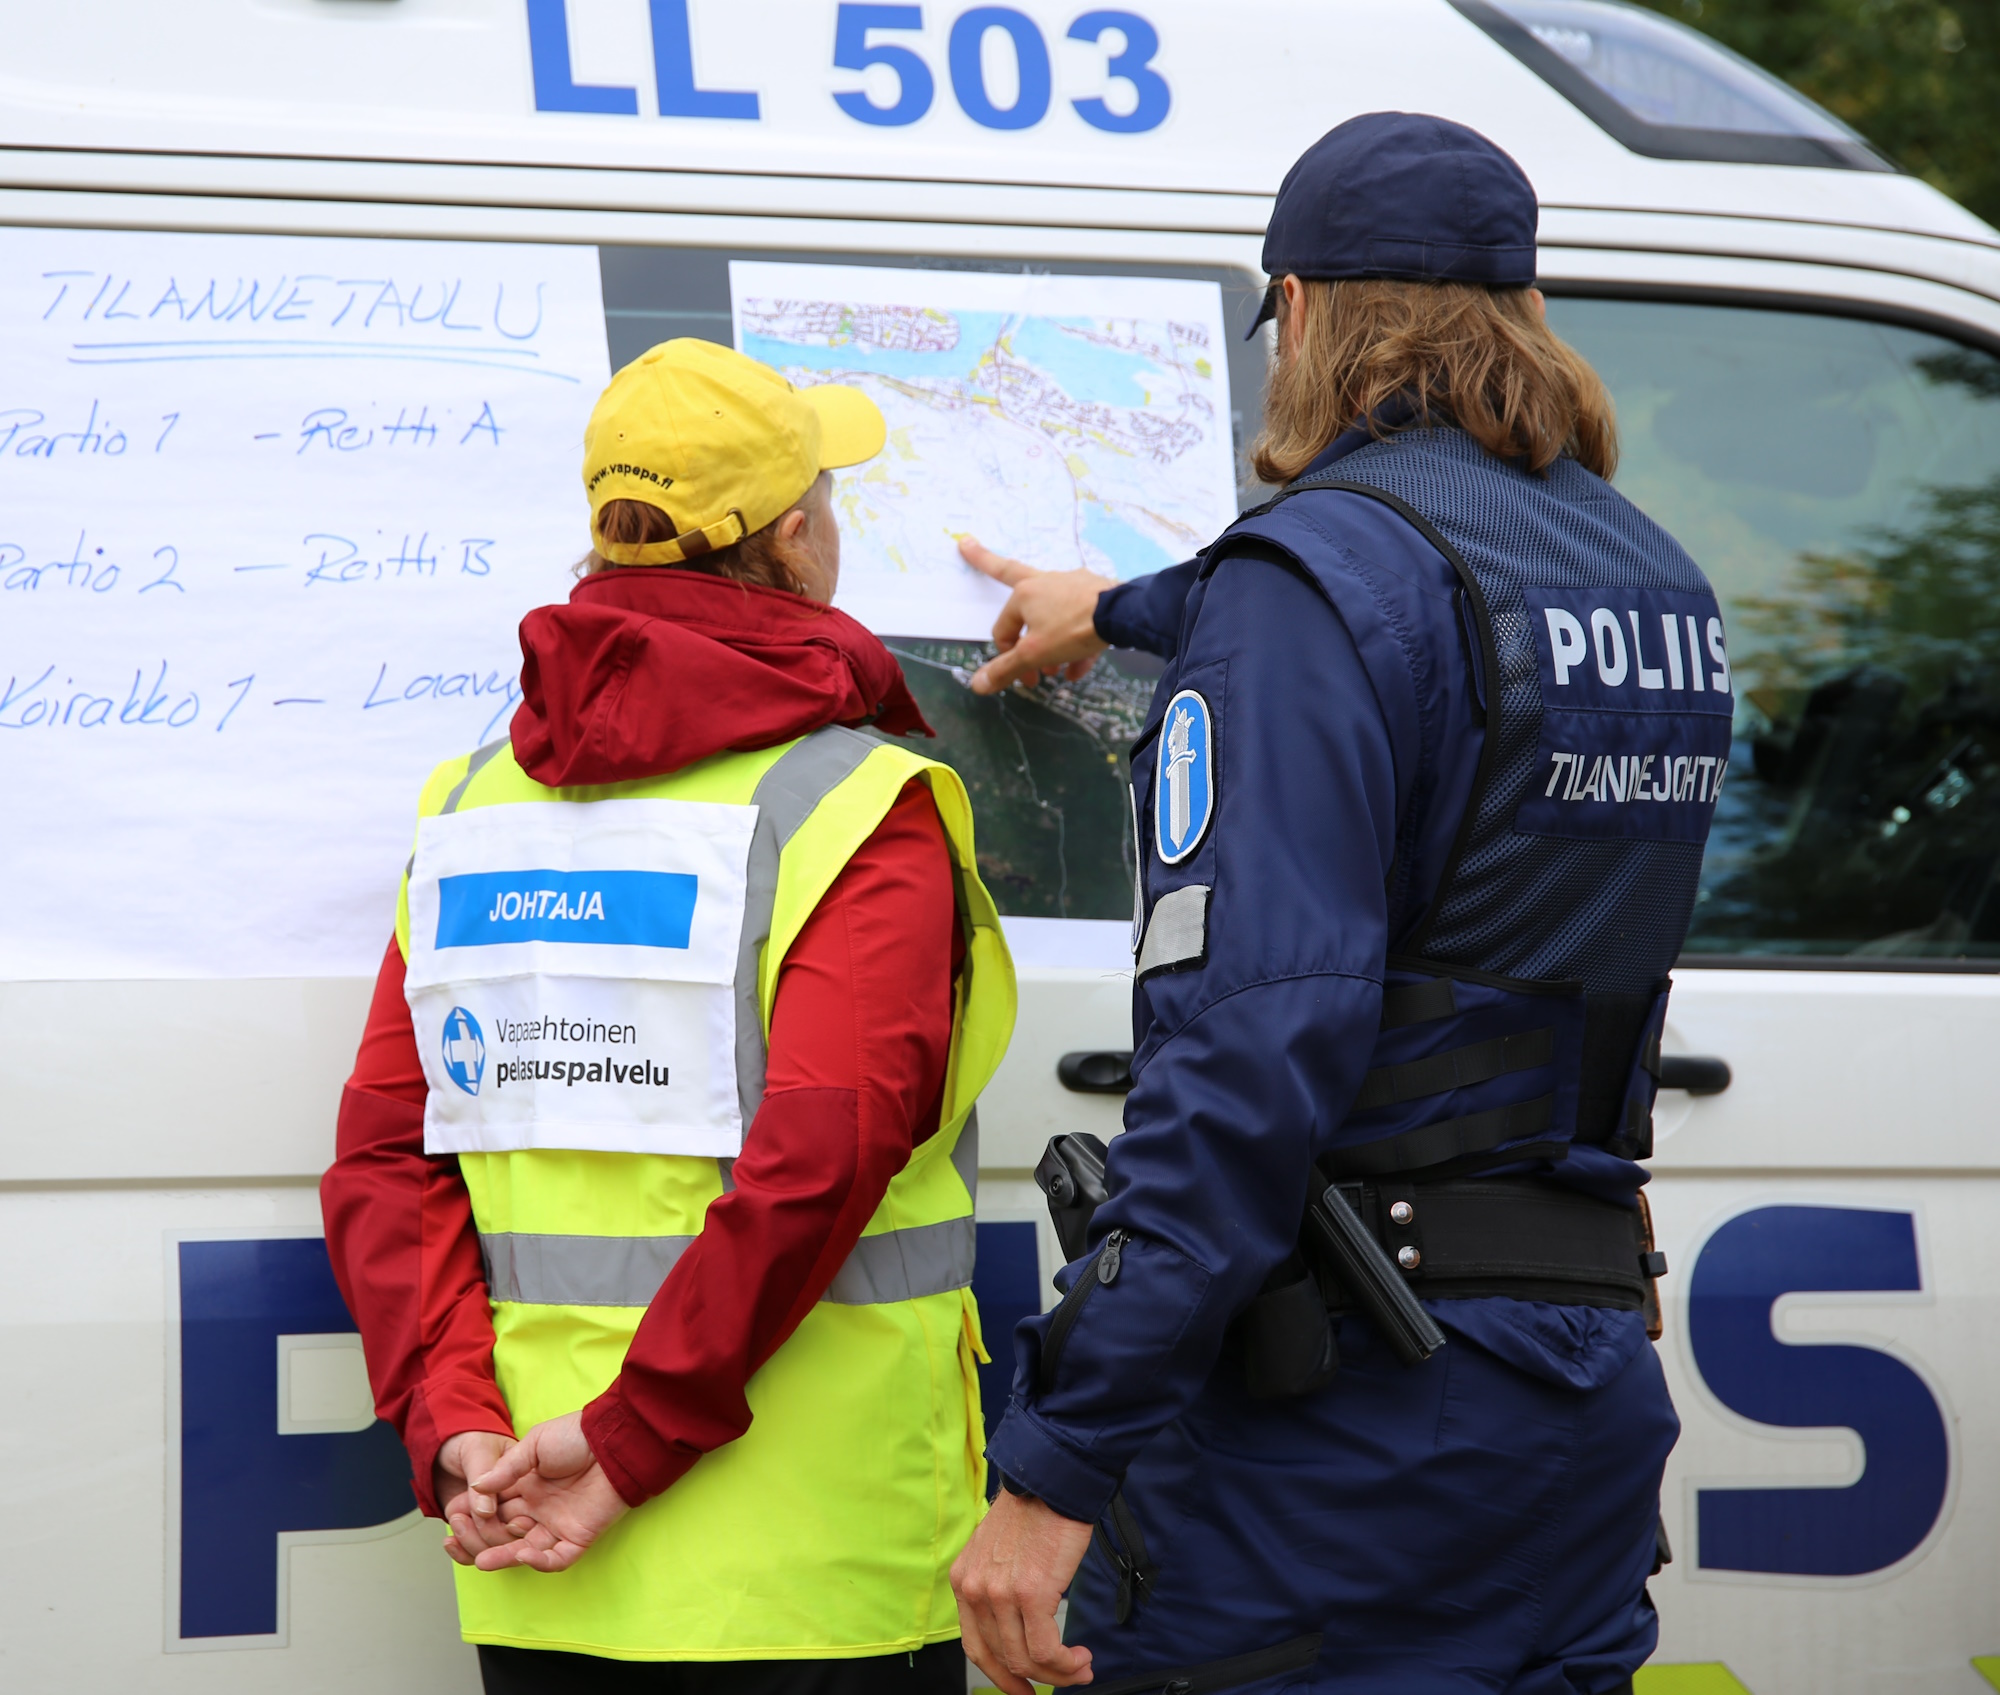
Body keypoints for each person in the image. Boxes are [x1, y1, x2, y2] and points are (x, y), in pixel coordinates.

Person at [949, 112, 1724, 1695]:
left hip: (1347, 1441)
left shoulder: (1306, 593)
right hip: (1567, 1397)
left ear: (1298, 310)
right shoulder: (1646, 576)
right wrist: (1132, 606)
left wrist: (1055, 1466)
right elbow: (1422, 635)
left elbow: (1245, 1075)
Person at [321, 338, 1016, 1693]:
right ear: (801, 539)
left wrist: (458, 1423)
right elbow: (818, 1163)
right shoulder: (856, 809)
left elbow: (389, 1161)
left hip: (536, 1559)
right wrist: (634, 1439)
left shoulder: (474, 809)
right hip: (818, 1577)